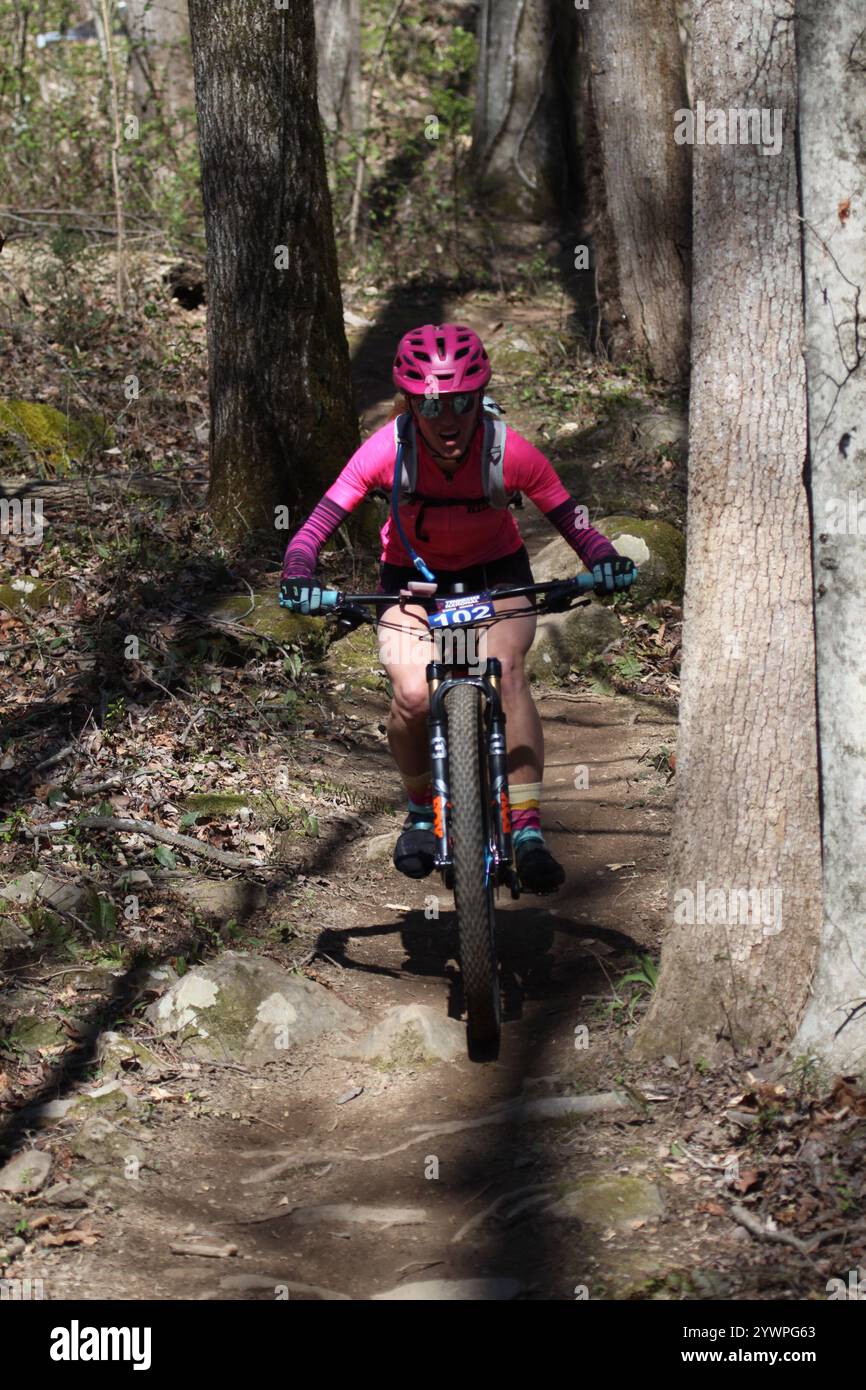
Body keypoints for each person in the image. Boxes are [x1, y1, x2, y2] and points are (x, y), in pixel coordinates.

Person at [280, 323, 634, 894]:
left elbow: (573, 520)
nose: (448, 419)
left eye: (462, 402)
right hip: (411, 586)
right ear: (411, 402)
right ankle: (422, 811)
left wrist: (605, 557)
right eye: (432, 404)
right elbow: (318, 523)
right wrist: (298, 572)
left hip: (496, 576)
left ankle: (525, 829)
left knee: (508, 672)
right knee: (414, 694)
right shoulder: (385, 450)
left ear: (480, 397)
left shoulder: (506, 449)